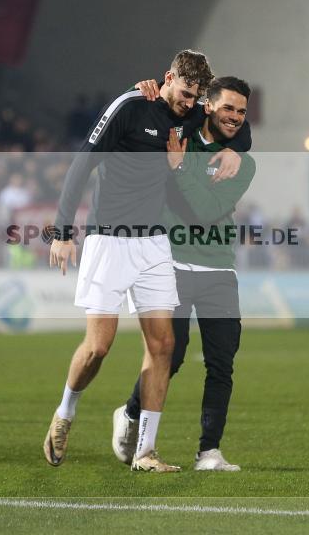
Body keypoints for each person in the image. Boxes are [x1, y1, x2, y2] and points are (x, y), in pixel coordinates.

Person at [44, 51, 225, 473]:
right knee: (98, 348)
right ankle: (65, 412)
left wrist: (214, 111)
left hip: (153, 245)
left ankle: (144, 452)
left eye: (196, 97)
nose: (189, 102)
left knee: (164, 346)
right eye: (184, 93)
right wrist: (62, 231)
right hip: (109, 240)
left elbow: (236, 128)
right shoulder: (129, 106)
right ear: (167, 78)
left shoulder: (192, 115)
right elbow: (82, 164)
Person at [111, 76, 255, 471]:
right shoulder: (177, 136)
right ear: (207, 106)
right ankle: (129, 413)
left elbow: (208, 211)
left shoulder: (242, 162)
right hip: (169, 264)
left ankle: (209, 451)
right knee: (168, 358)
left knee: (222, 362)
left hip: (219, 270)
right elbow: (144, 117)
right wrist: (145, 88)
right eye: (228, 108)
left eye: (242, 112)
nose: (236, 117)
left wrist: (180, 168)